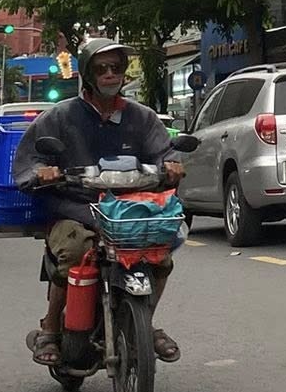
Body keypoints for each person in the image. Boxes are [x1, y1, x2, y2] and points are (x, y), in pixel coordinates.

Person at [18, 38, 183, 368]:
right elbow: (29, 161)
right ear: (88, 74)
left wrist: (172, 165)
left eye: (116, 67)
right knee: (75, 252)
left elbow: (165, 152)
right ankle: (50, 329)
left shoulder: (142, 117)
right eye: (101, 68)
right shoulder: (60, 116)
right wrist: (42, 172)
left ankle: (144, 324)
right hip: (75, 209)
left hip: (129, 211)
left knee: (161, 255)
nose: (110, 74)